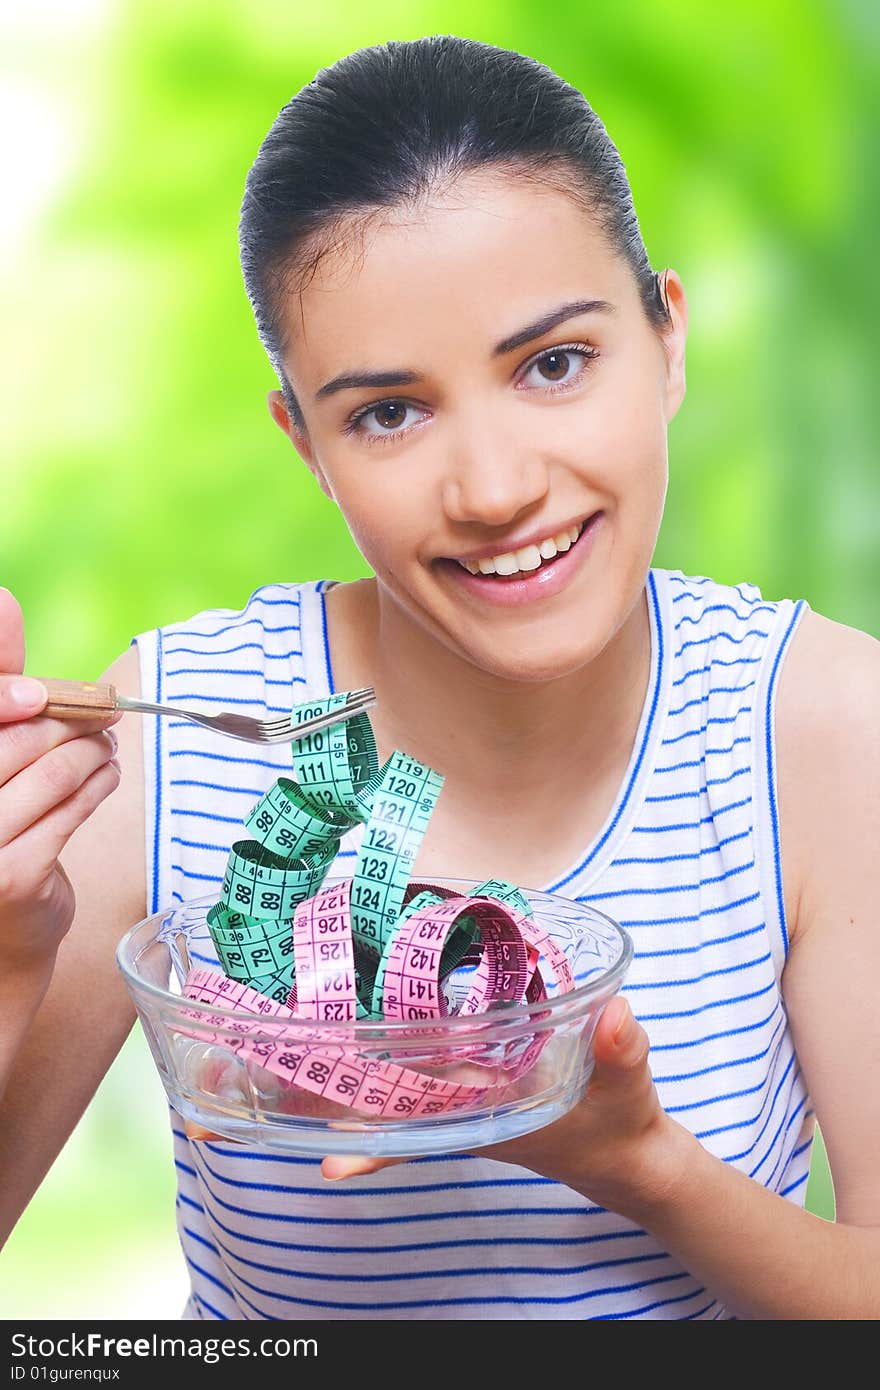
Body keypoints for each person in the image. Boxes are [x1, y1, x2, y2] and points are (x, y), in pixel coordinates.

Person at [1, 34, 878, 1322]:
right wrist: (12, 954)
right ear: (304, 439)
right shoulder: (185, 734)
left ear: (669, 339)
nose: (495, 488)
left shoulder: (822, 727)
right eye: (388, 412)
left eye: (555, 363)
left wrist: (643, 1165)